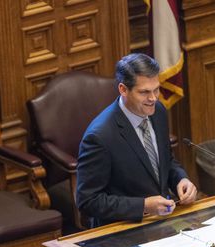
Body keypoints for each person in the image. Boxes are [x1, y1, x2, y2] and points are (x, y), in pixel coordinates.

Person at [76, 53, 197, 227]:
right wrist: (143, 206)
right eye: (144, 92)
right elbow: (88, 201)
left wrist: (181, 180)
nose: (153, 98)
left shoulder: (158, 112)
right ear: (123, 89)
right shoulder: (100, 137)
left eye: (156, 89)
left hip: (162, 222)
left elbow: (166, 161)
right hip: (122, 229)